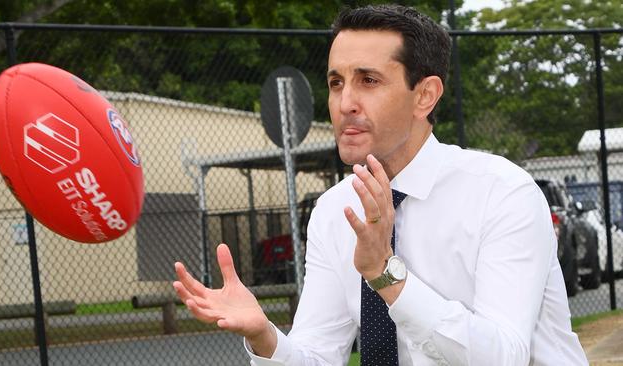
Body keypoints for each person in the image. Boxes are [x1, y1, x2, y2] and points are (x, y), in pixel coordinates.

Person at [173, 4, 588, 365]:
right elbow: (318, 355)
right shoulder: (335, 210)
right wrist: (264, 338)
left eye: (368, 80)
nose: (344, 102)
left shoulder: (501, 193)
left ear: (425, 96)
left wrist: (386, 275)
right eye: (336, 82)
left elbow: (504, 357)